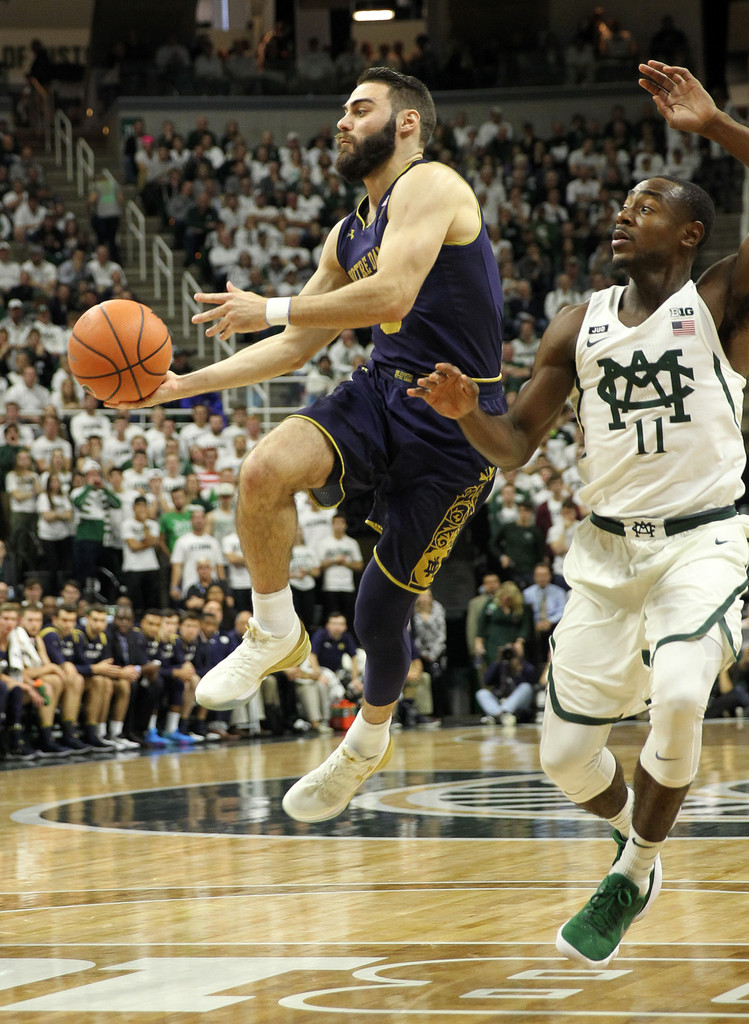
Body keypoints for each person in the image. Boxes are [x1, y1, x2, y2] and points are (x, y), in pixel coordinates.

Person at [410, 60, 749, 968]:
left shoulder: (718, 303)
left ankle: (635, 866)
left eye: (645, 205)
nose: (622, 212)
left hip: (704, 541)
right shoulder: (576, 321)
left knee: (680, 697)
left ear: (689, 233)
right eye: (622, 203)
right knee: (562, 758)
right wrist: (464, 417)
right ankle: (629, 840)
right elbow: (516, 444)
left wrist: (715, 127)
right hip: (602, 556)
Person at [110, 66, 506, 824]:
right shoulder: (347, 229)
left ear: (409, 124)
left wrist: (269, 304)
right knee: (263, 470)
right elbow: (297, 344)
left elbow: (390, 294)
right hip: (385, 389)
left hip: (458, 424)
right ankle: (274, 628)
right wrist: (178, 385)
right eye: (341, 115)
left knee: (376, 618)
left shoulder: (431, 186)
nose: (343, 124)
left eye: (360, 110)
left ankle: (364, 742)